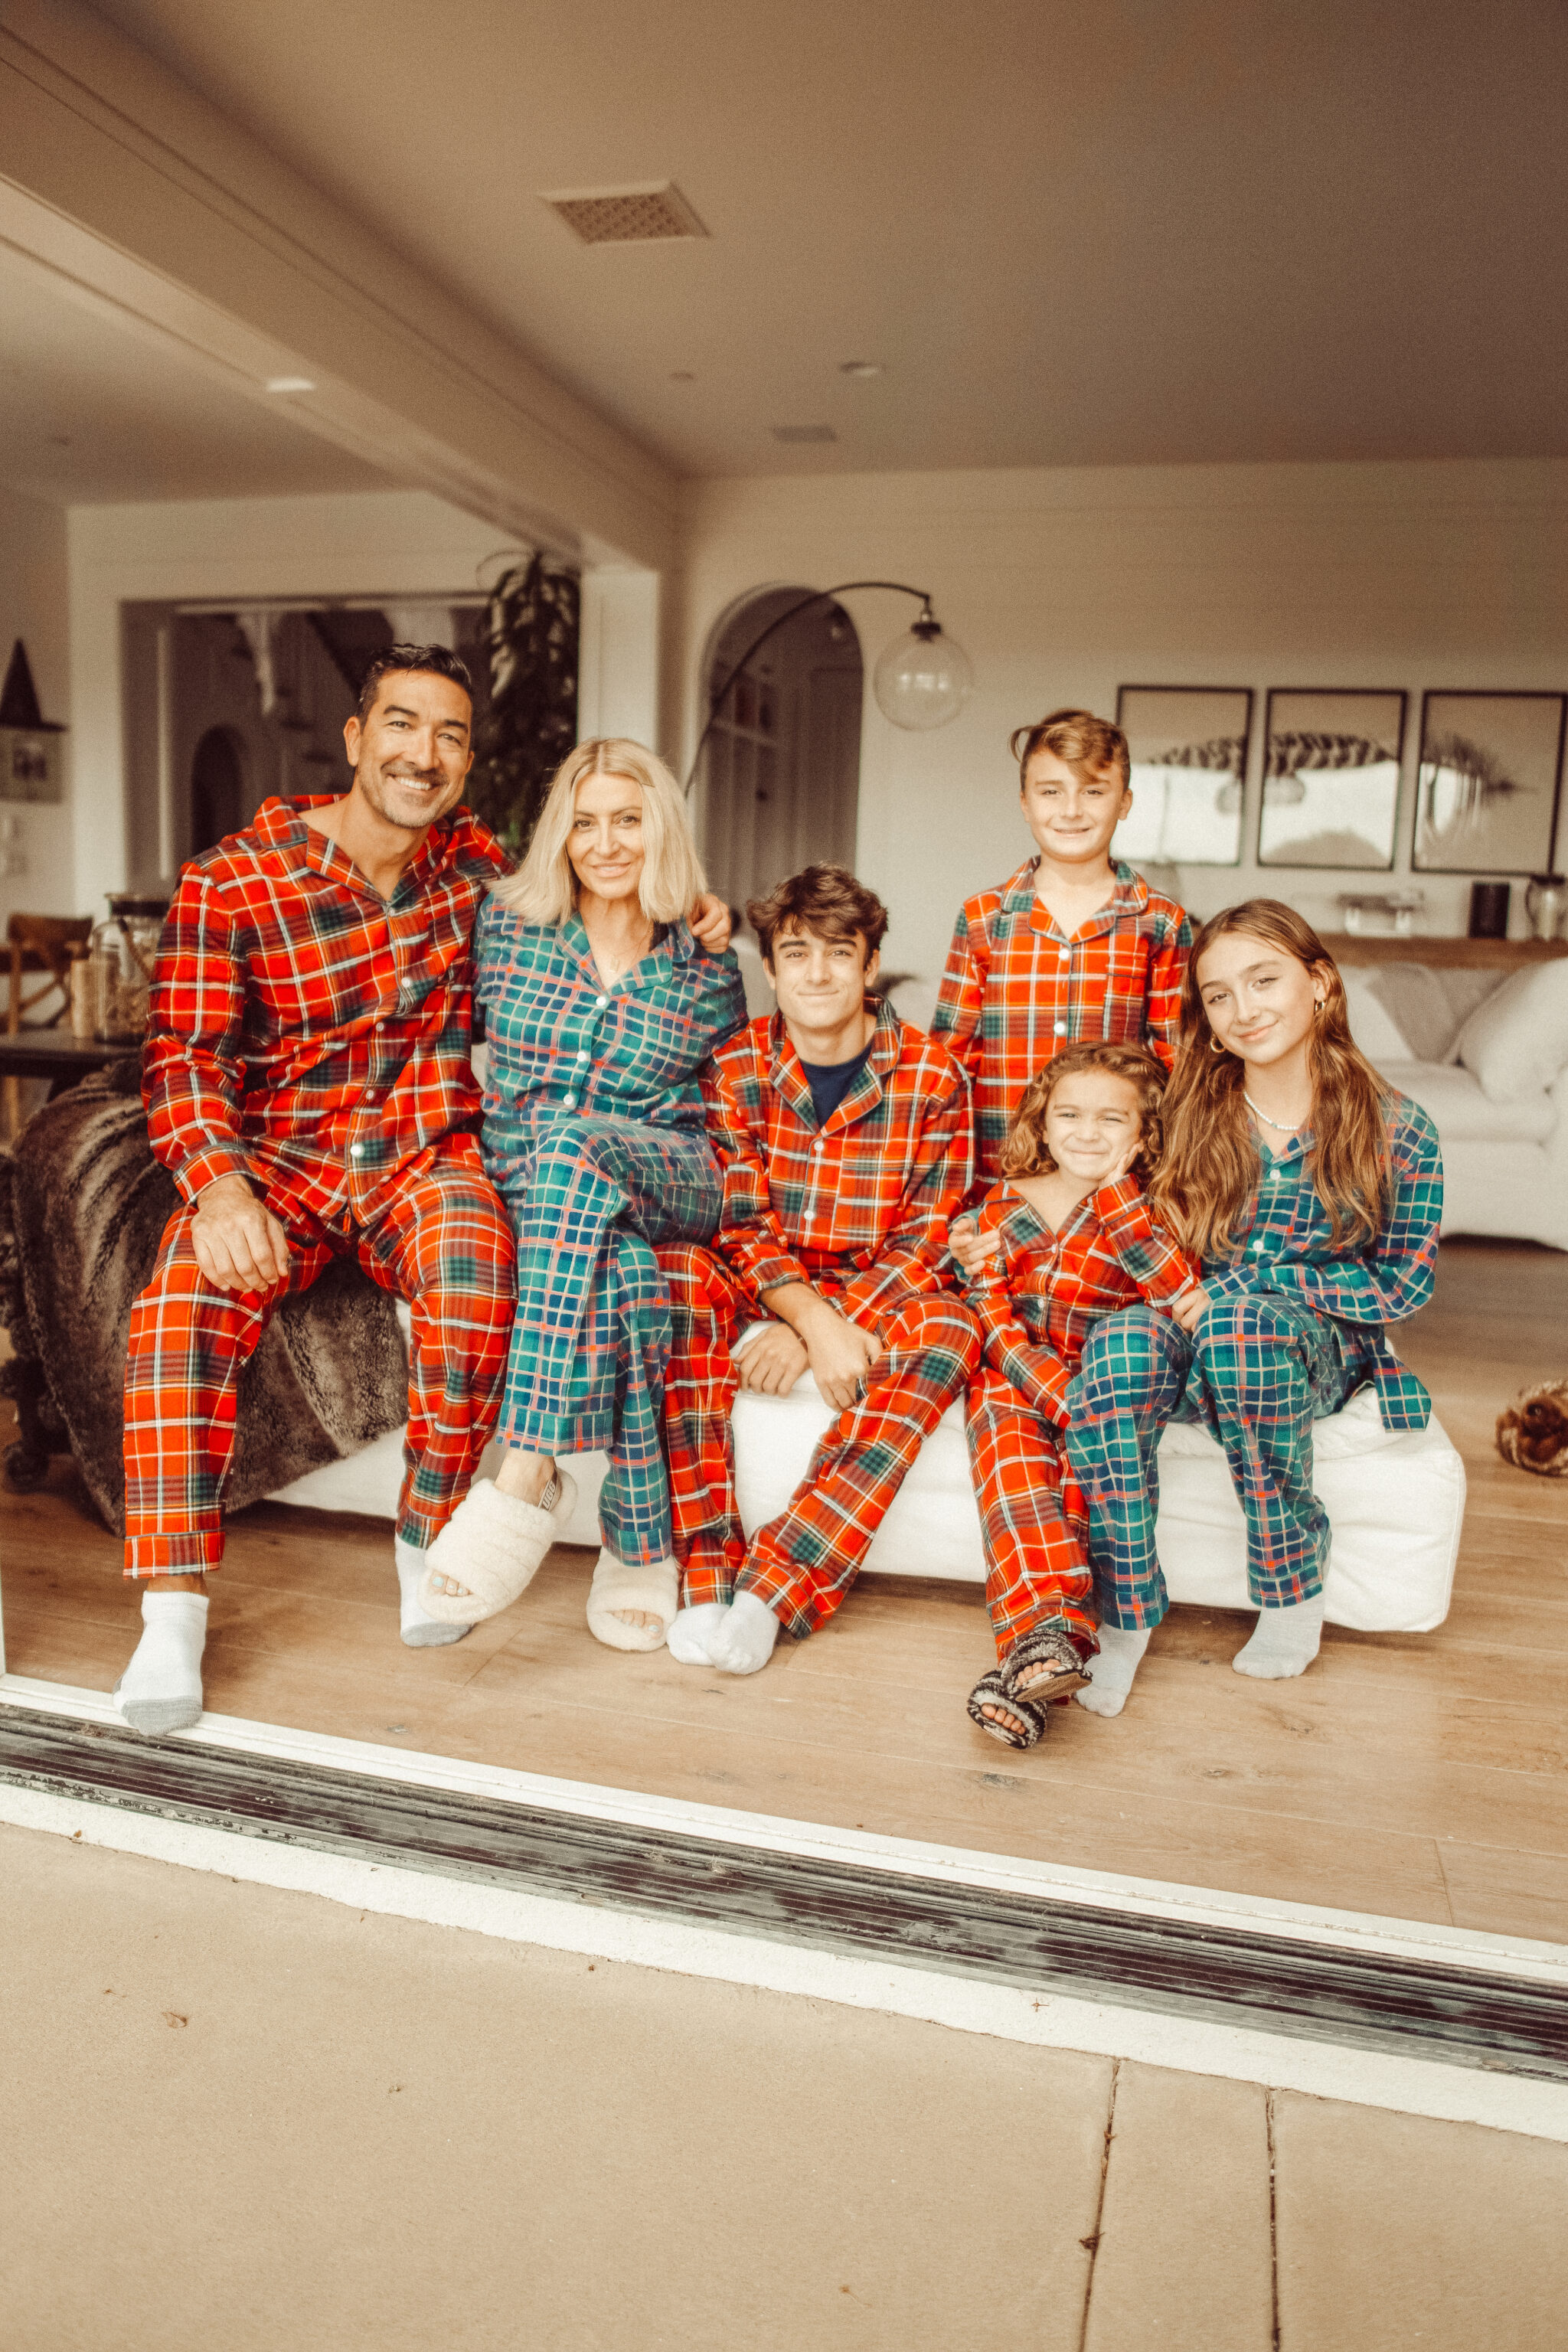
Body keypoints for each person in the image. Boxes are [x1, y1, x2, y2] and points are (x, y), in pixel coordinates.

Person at [113, 645, 518, 1733]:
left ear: (467, 762)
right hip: (280, 1165)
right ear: (354, 739)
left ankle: (425, 1539)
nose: (422, 755)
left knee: (479, 1273)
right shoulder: (232, 879)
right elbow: (185, 1057)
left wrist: (699, 914)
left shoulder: (476, 879)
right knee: (178, 1308)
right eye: (402, 725)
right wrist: (218, 1191)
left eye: (448, 736)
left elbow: (604, 886)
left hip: (421, 1158)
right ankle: (173, 1609)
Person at [1064, 900, 1444, 1717]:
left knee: (1241, 1328)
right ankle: (1123, 1614)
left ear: (1318, 984)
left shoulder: (1399, 1129)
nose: (1244, 1009)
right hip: (1191, 1321)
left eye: (1262, 980)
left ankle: (1289, 1589)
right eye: (1218, 995)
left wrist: (1259, 1289)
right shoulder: (1189, 1113)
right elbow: (1156, 1248)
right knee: (1120, 1345)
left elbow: (1400, 1285)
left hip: (1308, 1350)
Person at [416, 740, 746, 1653]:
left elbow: (726, 1116)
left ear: (661, 830)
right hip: (542, 1191)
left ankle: (524, 1472)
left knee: (576, 1150)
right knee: (632, 1278)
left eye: (628, 820)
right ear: (559, 831)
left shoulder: (705, 960)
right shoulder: (506, 928)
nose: (605, 843)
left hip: (673, 1170)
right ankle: (639, 1550)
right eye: (585, 821)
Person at [653, 864, 980, 1677]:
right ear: (769, 969)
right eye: (796, 954)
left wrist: (835, 1323)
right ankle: (703, 1571)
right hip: (767, 1275)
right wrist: (808, 1319)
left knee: (951, 1326)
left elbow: (926, 1239)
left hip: (876, 1283)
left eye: (840, 953)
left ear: (870, 966)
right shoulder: (733, 1068)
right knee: (677, 1274)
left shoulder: (935, 1077)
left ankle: (774, 1587)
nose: (818, 974)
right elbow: (738, 1220)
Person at [961, 1042, 1198, 1748]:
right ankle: (1042, 1656)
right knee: (1011, 1462)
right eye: (1068, 1114)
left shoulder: (1156, 1205)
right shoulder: (1006, 1200)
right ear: (1042, 1120)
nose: (1086, 1133)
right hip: (1018, 1367)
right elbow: (987, 1305)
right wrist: (1045, 1387)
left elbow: (1173, 1294)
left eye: (1110, 1119)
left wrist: (1120, 1203)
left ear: (1143, 1133)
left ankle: (1037, 1658)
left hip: (1110, 1375)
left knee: (1078, 1470)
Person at [932, 708, 1190, 1276]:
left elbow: (1177, 1066)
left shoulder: (1160, 922)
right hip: (1001, 1189)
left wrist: (1166, 1183)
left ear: (1124, 802)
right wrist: (953, 1202)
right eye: (1051, 791)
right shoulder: (984, 919)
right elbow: (951, 1064)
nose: (1071, 810)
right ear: (1025, 803)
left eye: (1093, 791)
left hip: (1116, 1192)